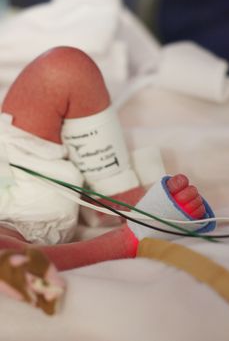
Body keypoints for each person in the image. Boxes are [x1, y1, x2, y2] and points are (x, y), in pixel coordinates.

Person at [0, 46, 213, 271]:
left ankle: (111, 192)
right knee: (8, 259)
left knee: (65, 68)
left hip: (11, 158)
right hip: (16, 220)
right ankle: (125, 240)